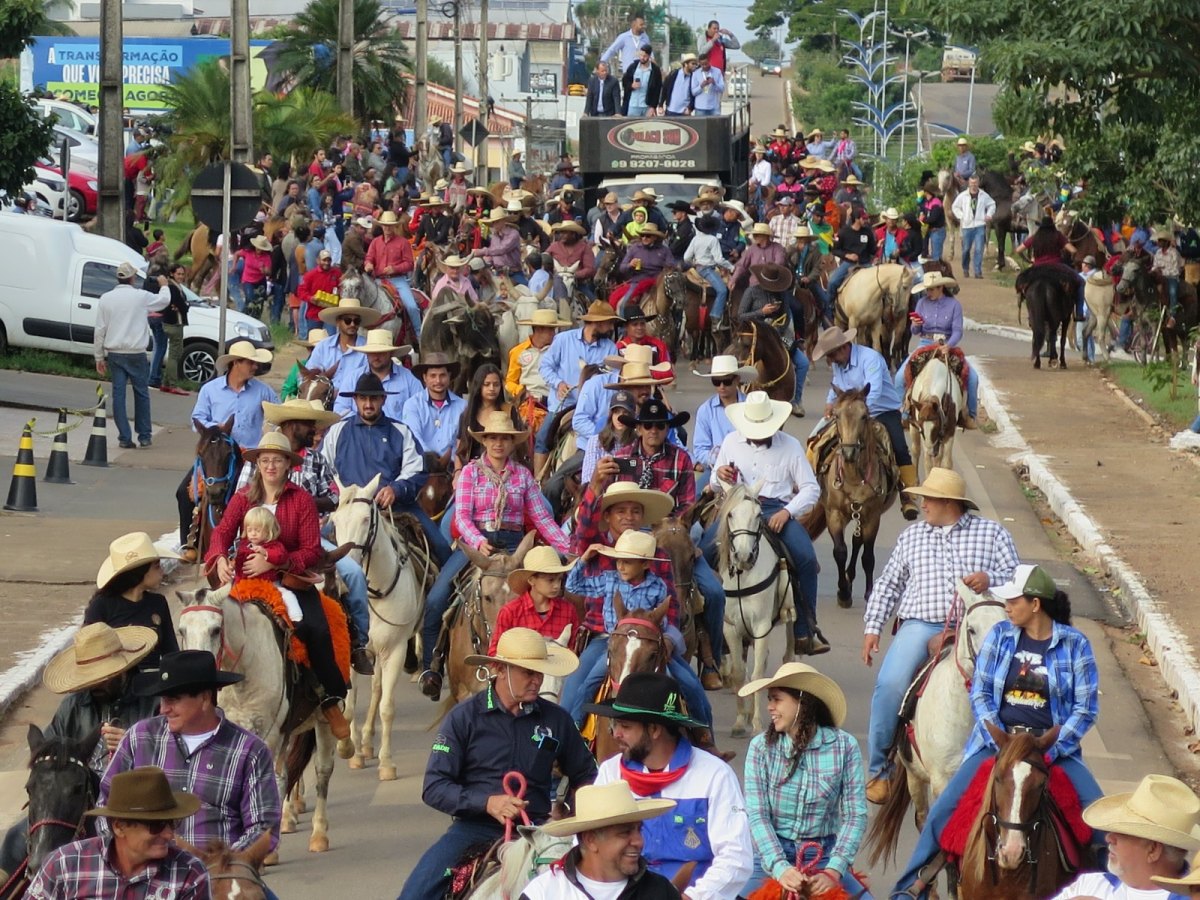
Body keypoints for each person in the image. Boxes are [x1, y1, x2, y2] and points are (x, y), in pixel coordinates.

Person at [891, 563, 1105, 898]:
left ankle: (1111, 885)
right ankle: (912, 885)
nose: (1006, 607)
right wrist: (1001, 738)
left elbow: (1085, 707)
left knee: (1100, 817)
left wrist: (1049, 747)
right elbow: (981, 692)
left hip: (1050, 747)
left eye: (1013, 600)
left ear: (1035, 605)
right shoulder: (1000, 635)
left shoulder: (1075, 644)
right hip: (998, 743)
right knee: (945, 808)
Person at [398, 629, 597, 900]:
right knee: (415, 893)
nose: (537, 681)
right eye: (528, 672)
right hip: (474, 828)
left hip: (540, 830)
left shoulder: (557, 719)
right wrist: (487, 802)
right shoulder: (463, 718)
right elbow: (435, 786)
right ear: (498, 669)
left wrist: (575, 815)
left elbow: (586, 774)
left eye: (540, 673)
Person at [860, 467, 1018, 803]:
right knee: (889, 684)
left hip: (981, 624)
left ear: (949, 502)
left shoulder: (992, 534)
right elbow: (889, 583)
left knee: (1018, 686)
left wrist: (990, 579)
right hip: (923, 624)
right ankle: (880, 770)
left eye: (927, 498)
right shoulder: (912, 536)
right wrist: (873, 627)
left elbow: (1017, 581)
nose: (922, 503)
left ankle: (1023, 757)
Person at [207, 434, 352, 737]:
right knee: (208, 625)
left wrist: (276, 562)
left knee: (315, 628)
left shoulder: (300, 500)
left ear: (288, 464)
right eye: (265, 460)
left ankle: (326, 697)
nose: (270, 465)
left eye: (277, 459)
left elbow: (312, 550)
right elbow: (221, 532)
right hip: (246, 581)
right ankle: (205, 698)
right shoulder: (243, 497)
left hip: (290, 581)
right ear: (257, 464)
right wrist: (220, 557)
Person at [418, 411, 571, 698]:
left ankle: (551, 662)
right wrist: (477, 541)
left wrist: (568, 550)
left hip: (515, 546)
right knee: (437, 598)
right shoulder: (470, 474)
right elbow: (462, 516)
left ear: (512, 443)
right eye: (493, 438)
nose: (498, 443)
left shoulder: (523, 476)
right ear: (484, 441)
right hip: (480, 544)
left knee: (549, 593)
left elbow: (542, 519)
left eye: (504, 438)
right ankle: (432, 667)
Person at [101, 650, 282, 854]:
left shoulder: (249, 751)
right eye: (162, 699)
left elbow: (264, 828)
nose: (163, 709)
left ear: (205, 698)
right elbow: (106, 804)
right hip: (148, 875)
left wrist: (221, 865)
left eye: (173, 699)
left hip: (219, 879)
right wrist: (123, 853)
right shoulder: (139, 738)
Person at [588, 673, 754, 896]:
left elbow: (736, 858)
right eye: (615, 725)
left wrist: (690, 897)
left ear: (655, 730)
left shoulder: (715, 775)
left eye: (625, 726)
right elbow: (589, 849)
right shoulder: (610, 773)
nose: (616, 734)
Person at [701, 391, 826, 655]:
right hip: (736, 508)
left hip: (775, 509)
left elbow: (810, 488)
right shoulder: (731, 442)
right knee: (705, 551)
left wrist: (788, 512)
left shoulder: (790, 446)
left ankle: (805, 630)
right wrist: (718, 475)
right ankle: (707, 626)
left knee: (805, 558)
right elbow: (714, 483)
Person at [739, 662, 868, 897]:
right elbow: (757, 815)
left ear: (802, 703)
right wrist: (780, 867)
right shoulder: (760, 748)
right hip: (771, 855)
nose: (769, 707)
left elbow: (855, 816)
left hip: (824, 854)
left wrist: (834, 870)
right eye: (769, 699)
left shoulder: (845, 746)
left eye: (776, 699)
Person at [323, 373, 452, 566]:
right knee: (317, 546)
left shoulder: (401, 431)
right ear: (355, 400)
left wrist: (396, 489)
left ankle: (449, 594)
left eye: (374, 398)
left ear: (383, 399)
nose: (368, 404)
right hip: (349, 511)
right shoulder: (338, 431)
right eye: (363, 398)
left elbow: (416, 470)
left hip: (397, 508)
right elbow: (325, 470)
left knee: (441, 548)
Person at [25, 767, 209, 900]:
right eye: (156, 826)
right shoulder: (63, 865)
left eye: (172, 823)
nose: (169, 835)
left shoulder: (190, 874)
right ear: (119, 827)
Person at [176, 340, 278, 561]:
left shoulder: (263, 392)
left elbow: (278, 416)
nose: (254, 367)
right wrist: (215, 429)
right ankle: (189, 544)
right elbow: (197, 419)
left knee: (250, 498)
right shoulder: (210, 390)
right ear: (235, 363)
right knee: (184, 493)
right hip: (216, 453)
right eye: (250, 363)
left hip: (249, 456)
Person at [810, 325, 919, 517]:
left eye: (831, 355)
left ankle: (907, 495)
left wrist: (859, 410)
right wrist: (830, 403)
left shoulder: (870, 359)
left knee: (899, 448)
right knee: (815, 440)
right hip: (847, 412)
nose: (830, 360)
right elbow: (836, 384)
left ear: (843, 348)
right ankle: (810, 485)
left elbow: (874, 390)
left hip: (881, 410)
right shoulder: (838, 363)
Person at [523, 781, 680, 899]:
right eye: (625, 833)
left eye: (639, 830)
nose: (638, 841)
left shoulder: (660, 891)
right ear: (590, 840)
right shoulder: (543, 893)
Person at [94, 261, 171, 450]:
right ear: (133, 278)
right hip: (136, 352)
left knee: (118, 395)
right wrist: (164, 286)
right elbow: (163, 301)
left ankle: (124, 436)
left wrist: (98, 356)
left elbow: (100, 330)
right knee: (141, 393)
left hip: (115, 352)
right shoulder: (140, 297)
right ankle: (144, 435)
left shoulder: (106, 298)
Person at [535, 301, 621, 470]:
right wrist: (558, 383)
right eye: (609, 323)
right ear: (597, 323)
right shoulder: (563, 340)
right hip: (564, 404)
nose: (611, 327)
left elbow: (612, 380)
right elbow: (545, 366)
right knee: (542, 438)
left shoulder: (610, 348)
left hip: (595, 409)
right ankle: (538, 482)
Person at [893, 271, 980, 429]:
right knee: (899, 377)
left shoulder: (954, 305)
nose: (929, 292)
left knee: (973, 378)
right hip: (925, 343)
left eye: (932, 289)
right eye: (927, 289)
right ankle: (902, 413)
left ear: (941, 288)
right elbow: (915, 331)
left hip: (947, 343)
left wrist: (949, 345)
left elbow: (957, 331)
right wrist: (915, 324)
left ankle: (970, 415)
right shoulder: (921, 304)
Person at [85, 532, 182, 669]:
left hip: (151, 682)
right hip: (115, 682)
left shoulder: (158, 602)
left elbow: (171, 652)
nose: (162, 572)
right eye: (157, 566)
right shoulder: (101, 605)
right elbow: (89, 654)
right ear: (140, 572)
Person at [738, 263, 811, 418]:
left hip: (777, 334)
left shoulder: (782, 294)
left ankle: (796, 400)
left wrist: (776, 329)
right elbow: (741, 316)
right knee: (742, 358)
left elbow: (786, 317)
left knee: (803, 363)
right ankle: (741, 393)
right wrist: (761, 312)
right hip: (755, 334)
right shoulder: (751, 292)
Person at [489, 546, 579, 654]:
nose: (556, 586)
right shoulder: (510, 612)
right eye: (550, 580)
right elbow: (494, 652)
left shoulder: (568, 611)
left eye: (559, 579)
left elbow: (573, 651)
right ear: (531, 580)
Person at [692, 355, 758, 493]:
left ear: (737, 380)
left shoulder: (751, 407)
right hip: (716, 469)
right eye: (716, 382)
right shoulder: (705, 410)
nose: (721, 386)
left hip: (750, 468)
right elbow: (700, 449)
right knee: (693, 499)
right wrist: (720, 460)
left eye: (727, 381)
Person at [332, 329, 419, 419]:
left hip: (398, 432)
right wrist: (362, 425)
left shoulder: (409, 379)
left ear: (391, 353)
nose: (376, 356)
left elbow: (420, 410)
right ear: (366, 354)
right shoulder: (353, 378)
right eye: (372, 352)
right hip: (360, 432)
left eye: (381, 352)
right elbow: (340, 410)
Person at [363, 210, 422, 339]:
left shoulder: (403, 242)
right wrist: (368, 264)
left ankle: (419, 335)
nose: (387, 228)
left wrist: (394, 269)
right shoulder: (375, 242)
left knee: (412, 306)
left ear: (394, 226)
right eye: (385, 225)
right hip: (378, 280)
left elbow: (410, 264)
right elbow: (369, 257)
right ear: (382, 226)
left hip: (398, 280)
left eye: (390, 225)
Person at [402, 352, 468, 459]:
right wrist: (432, 460)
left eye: (442, 375)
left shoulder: (463, 406)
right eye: (433, 376)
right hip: (422, 464)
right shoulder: (412, 405)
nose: (438, 381)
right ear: (425, 377)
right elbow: (414, 437)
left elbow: (463, 442)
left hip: (454, 467)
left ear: (449, 376)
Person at [684, 213, 734, 324]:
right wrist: (731, 267)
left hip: (697, 268)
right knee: (722, 290)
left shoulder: (696, 239)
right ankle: (716, 315)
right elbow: (719, 259)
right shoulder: (713, 239)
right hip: (707, 270)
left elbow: (686, 257)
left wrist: (694, 262)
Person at [149, 262, 190, 395]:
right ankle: (172, 383)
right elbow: (181, 305)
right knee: (175, 354)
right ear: (172, 274)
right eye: (178, 274)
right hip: (174, 323)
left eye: (183, 274)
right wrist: (184, 306)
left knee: (172, 351)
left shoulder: (174, 286)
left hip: (172, 322)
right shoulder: (172, 287)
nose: (181, 276)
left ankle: (166, 382)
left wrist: (183, 306)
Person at [951, 175, 995, 279]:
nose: (973, 185)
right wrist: (962, 216)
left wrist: (989, 214)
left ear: (978, 183)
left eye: (975, 183)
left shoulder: (984, 195)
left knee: (979, 249)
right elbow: (955, 207)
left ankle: (977, 271)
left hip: (980, 225)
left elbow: (992, 204)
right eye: (972, 183)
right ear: (969, 183)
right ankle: (965, 268)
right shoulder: (963, 196)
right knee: (966, 249)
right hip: (967, 226)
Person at [297, 247, 343, 334]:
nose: (326, 263)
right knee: (315, 340)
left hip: (330, 314)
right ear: (318, 261)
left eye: (329, 260)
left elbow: (342, 287)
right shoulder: (310, 275)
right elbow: (301, 291)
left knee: (331, 339)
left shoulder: (337, 273)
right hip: (314, 314)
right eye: (324, 260)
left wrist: (338, 296)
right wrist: (310, 298)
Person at [621, 45, 662, 117]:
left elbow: (657, 90)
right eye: (641, 55)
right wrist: (631, 85)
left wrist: (653, 107)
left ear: (649, 56)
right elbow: (625, 81)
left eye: (645, 56)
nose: (642, 58)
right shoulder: (633, 67)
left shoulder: (655, 70)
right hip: (633, 105)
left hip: (647, 106)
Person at [689, 52, 725, 116]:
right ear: (699, 63)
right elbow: (693, 92)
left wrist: (714, 83)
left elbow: (722, 89)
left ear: (709, 61)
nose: (705, 66)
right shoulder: (696, 74)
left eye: (706, 63)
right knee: (699, 126)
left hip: (714, 107)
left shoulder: (717, 71)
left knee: (715, 126)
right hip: (700, 108)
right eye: (702, 64)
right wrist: (701, 86)